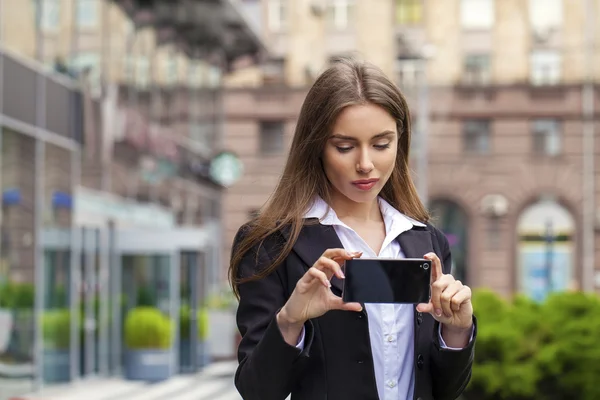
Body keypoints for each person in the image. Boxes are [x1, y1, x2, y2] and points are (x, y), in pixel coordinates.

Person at [229, 58, 476, 400]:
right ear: (316, 146)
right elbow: (257, 391)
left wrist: (456, 330)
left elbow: (446, 388)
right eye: (344, 147)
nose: (365, 164)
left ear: (399, 142)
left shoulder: (425, 240)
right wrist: (290, 321)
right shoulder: (271, 245)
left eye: (381, 144)